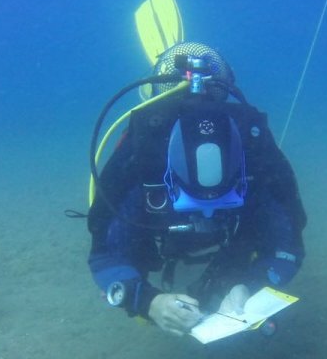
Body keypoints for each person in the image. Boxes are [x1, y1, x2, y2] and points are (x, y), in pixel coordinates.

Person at [86, 42, 306, 336]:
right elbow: (105, 253)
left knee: (242, 250)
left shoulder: (255, 154)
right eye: (188, 198)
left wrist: (251, 286)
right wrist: (146, 301)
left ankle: (230, 273)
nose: (207, 209)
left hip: (233, 241)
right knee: (134, 250)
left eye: (227, 196)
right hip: (154, 234)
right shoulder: (143, 156)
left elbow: (287, 245)